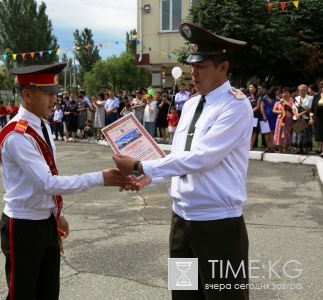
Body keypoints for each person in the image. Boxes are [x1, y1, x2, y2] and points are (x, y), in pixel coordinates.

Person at [113, 23, 251, 300]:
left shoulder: (235, 105)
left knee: (225, 297)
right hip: (181, 220)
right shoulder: (190, 104)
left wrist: (141, 166)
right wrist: (152, 177)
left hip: (217, 224)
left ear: (223, 67)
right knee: (183, 294)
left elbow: (202, 158)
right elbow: (180, 156)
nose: (194, 72)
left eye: (202, 66)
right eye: (192, 65)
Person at [0, 63, 130, 299]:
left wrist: (56, 214)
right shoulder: (18, 135)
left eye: (54, 93)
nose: (53, 99)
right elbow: (47, 183)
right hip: (23, 225)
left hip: (45, 221)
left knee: (48, 292)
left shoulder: (43, 126)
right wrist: (99, 178)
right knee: (22, 294)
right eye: (47, 93)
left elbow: (49, 178)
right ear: (27, 94)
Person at [292, 84, 313, 154]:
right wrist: (297, 115)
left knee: (306, 134)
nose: (302, 91)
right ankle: (299, 149)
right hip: (297, 118)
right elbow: (293, 109)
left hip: (306, 118)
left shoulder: (310, 98)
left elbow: (309, 108)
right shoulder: (296, 98)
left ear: (307, 90)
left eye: (304, 90)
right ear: (299, 91)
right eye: (301, 90)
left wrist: (300, 114)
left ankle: (306, 149)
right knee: (298, 134)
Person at [273, 88, 293, 153]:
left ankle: (287, 148)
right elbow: (274, 110)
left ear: (290, 94)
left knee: (288, 133)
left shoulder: (293, 101)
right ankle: (280, 148)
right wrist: (280, 112)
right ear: (281, 94)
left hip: (289, 120)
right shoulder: (279, 102)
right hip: (280, 120)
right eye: (284, 93)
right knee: (279, 133)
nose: (285, 94)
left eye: (287, 93)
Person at [260, 86, 279, 152]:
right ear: (274, 91)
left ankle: (273, 147)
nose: (278, 92)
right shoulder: (265, 98)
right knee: (266, 132)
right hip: (265, 117)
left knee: (272, 132)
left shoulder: (277, 99)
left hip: (274, 117)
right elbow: (262, 108)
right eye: (277, 91)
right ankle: (268, 147)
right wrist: (264, 116)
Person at [310, 80, 323, 156]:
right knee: (320, 134)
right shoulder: (317, 96)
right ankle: (321, 148)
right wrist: (311, 118)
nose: (322, 88)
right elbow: (312, 108)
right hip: (319, 117)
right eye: (321, 87)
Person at [248, 83, 261, 150]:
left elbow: (258, 106)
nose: (250, 89)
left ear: (255, 89)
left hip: (255, 115)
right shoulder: (247, 96)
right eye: (250, 87)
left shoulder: (258, 97)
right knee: (248, 130)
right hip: (247, 115)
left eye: (252, 87)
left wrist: (251, 111)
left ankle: (252, 145)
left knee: (254, 130)